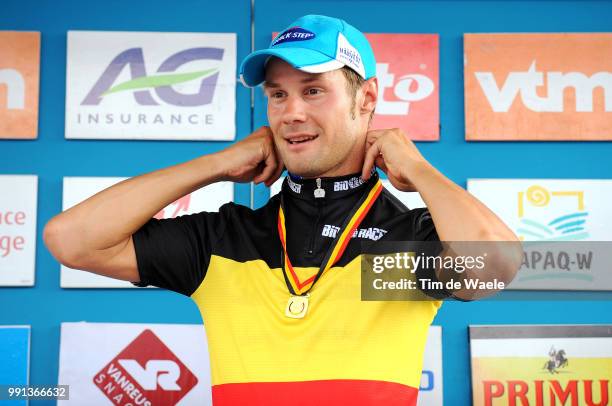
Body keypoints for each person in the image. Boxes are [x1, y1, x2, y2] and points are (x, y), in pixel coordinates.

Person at [44, 14, 521, 406]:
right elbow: (71, 240)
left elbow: (494, 269)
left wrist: (420, 172)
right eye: (277, 94)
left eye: (312, 90)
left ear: (367, 98)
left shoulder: (405, 238)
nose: (291, 112)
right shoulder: (227, 238)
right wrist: (215, 164)